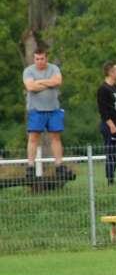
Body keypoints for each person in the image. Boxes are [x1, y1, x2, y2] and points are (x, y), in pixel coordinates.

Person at [22, 48, 69, 179]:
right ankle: (30, 167)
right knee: (33, 138)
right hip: (36, 110)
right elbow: (30, 87)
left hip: (53, 109)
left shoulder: (53, 68)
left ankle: (59, 166)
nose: (40, 61)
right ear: (34, 59)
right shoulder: (28, 71)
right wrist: (49, 83)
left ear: (46, 58)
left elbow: (58, 82)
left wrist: (40, 82)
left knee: (56, 138)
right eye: (37, 59)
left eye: (42, 58)